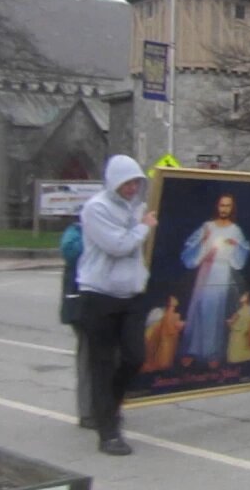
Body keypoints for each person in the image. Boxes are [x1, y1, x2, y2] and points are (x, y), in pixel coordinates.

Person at [77, 154, 158, 456]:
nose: (132, 187)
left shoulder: (137, 208)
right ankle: (108, 432)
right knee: (101, 363)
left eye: (136, 182)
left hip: (131, 296)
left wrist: (144, 226)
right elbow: (118, 246)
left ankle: (110, 406)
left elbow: (138, 245)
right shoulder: (96, 208)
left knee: (135, 356)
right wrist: (143, 228)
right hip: (99, 295)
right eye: (126, 182)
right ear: (114, 182)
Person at [178, 193, 250, 365]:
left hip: (222, 271)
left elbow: (243, 253)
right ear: (217, 207)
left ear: (232, 208)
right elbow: (189, 249)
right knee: (200, 307)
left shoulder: (235, 230)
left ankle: (212, 353)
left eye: (228, 206)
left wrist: (237, 246)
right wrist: (203, 245)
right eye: (221, 205)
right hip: (206, 270)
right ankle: (192, 350)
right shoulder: (207, 227)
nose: (224, 209)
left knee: (216, 310)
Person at [59, 220, 93, 429]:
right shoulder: (78, 230)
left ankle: (108, 405)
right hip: (82, 306)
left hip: (112, 302)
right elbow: (70, 250)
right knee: (89, 357)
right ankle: (88, 411)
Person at [140, 295, 185, 373]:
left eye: (173, 307)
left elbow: (174, 327)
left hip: (166, 340)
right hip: (155, 340)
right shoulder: (158, 312)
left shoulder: (174, 315)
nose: (172, 308)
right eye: (171, 306)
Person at [225, 291, 250, 364]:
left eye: (245, 294)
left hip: (243, 354)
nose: (242, 296)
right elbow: (232, 323)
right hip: (236, 350)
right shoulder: (241, 311)